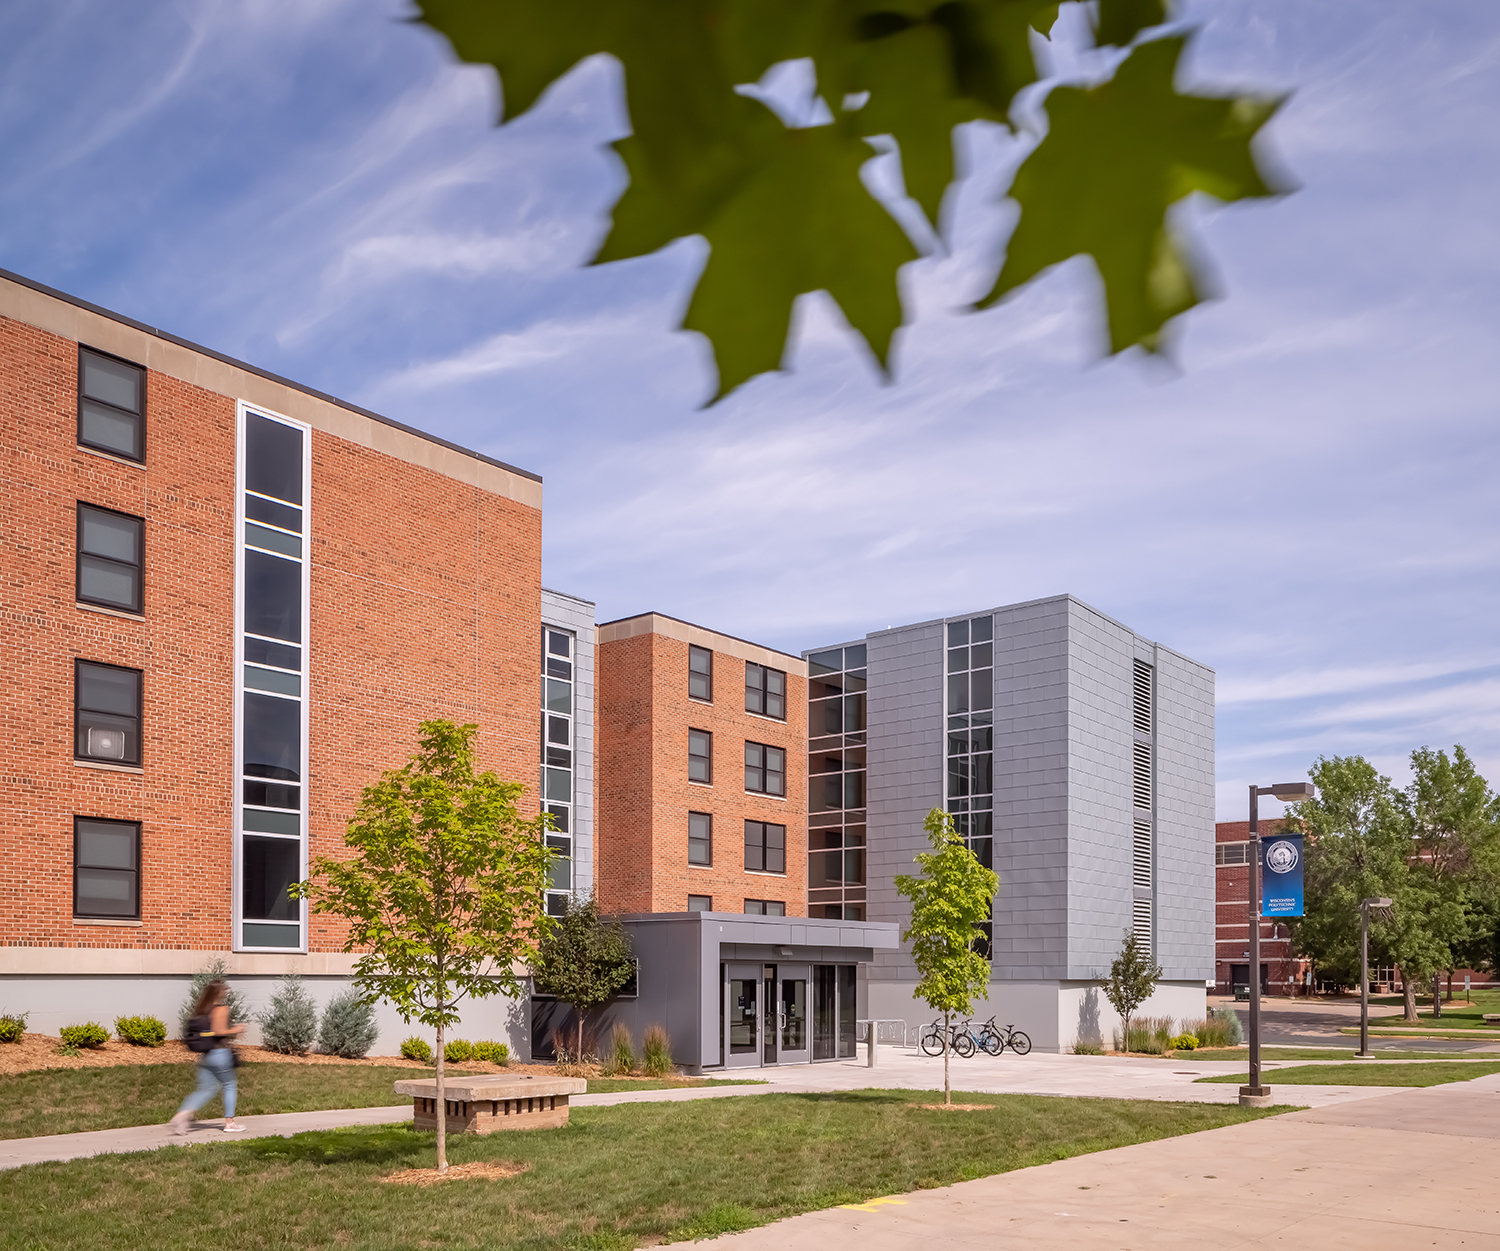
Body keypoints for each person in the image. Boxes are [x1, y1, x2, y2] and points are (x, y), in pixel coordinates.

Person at [168, 979, 246, 1134]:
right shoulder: (221, 1010)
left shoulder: (202, 1009)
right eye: (224, 990)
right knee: (230, 1085)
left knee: (205, 1089)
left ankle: (183, 1114)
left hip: (206, 1055)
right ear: (219, 992)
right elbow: (219, 1031)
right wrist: (236, 1029)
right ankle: (230, 1123)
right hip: (220, 1054)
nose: (226, 993)